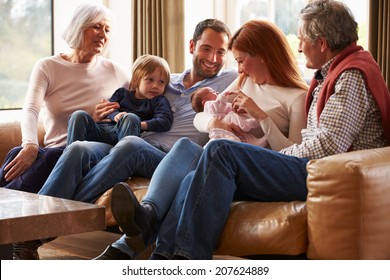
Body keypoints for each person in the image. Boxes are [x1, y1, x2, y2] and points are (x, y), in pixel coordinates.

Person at [109, 0, 390, 260]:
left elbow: (326, 147)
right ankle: (164, 255)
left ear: (323, 43)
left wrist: (276, 150)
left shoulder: (350, 76)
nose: (300, 46)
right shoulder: (329, 73)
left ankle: (185, 256)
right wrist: (217, 123)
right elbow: (208, 113)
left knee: (220, 150)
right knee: (196, 167)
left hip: (322, 170)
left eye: (303, 39)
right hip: (311, 164)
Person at [13, 18, 238, 260]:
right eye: (206, 48)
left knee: (130, 145)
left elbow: (261, 71)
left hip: (167, 156)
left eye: (221, 52)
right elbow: (124, 96)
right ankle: (26, 234)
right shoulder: (165, 79)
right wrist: (103, 113)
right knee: (79, 148)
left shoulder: (228, 80)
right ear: (192, 46)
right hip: (125, 139)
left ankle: (34, 233)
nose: (213, 58)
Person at [106, 19, 310, 260]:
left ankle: (140, 247)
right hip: (221, 158)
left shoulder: (298, 97)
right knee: (185, 148)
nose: (239, 67)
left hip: (251, 168)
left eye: (242, 59)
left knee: (192, 177)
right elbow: (203, 115)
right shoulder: (245, 80)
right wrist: (215, 123)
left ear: (263, 55)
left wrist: (261, 116)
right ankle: (151, 224)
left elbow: (294, 153)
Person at [0, 3, 129, 194]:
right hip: (52, 151)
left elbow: (143, 101)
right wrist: (30, 145)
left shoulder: (116, 72)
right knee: (16, 154)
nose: (103, 34)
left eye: (107, 30)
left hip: (86, 154)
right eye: (97, 27)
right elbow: (31, 110)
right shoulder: (47, 66)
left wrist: (112, 116)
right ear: (79, 26)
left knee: (51, 157)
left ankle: (8, 206)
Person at [67, 54, 173, 146]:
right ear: (136, 80)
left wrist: (139, 124)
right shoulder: (122, 93)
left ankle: (120, 157)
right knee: (78, 115)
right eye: (150, 80)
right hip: (102, 129)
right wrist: (115, 115)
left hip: (123, 134)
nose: (155, 86)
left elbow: (165, 121)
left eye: (161, 82)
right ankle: (70, 154)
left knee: (130, 118)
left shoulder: (158, 101)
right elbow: (108, 109)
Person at [191, 86, 267, 146]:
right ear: (204, 102)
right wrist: (222, 95)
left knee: (247, 139)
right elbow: (218, 105)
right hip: (222, 132)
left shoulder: (223, 104)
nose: (216, 92)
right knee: (232, 118)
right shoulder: (209, 107)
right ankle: (250, 123)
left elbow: (230, 108)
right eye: (212, 92)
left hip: (232, 131)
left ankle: (259, 143)